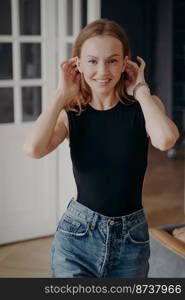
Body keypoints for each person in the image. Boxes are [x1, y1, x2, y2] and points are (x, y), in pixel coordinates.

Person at [23, 18, 180, 278]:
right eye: (93, 61)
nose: (103, 71)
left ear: (125, 63)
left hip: (132, 238)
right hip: (77, 236)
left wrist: (140, 90)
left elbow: (165, 140)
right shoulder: (71, 112)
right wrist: (60, 95)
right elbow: (33, 149)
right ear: (78, 63)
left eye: (112, 60)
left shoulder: (145, 105)